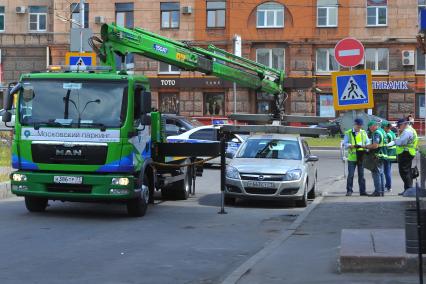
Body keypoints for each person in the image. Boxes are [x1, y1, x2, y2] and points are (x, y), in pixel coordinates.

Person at [388, 118, 418, 195]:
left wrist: (395, 141)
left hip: (405, 153)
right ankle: (407, 190)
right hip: (408, 152)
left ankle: (409, 190)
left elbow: (402, 142)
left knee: (404, 172)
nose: (398, 127)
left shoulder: (407, 131)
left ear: (404, 124)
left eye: (399, 126)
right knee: (407, 172)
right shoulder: (411, 130)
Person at [343, 118, 369, 196]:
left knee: (361, 175)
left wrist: (365, 146)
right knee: (350, 175)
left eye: (360, 125)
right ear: (355, 124)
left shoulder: (363, 132)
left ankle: (362, 191)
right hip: (352, 157)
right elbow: (345, 143)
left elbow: (368, 141)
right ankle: (349, 191)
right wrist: (351, 146)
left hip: (361, 156)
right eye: (358, 125)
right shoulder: (348, 133)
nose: (359, 127)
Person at [365, 121, 387, 197]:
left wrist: (366, 146)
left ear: (374, 126)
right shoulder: (382, 131)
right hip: (382, 154)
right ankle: (382, 191)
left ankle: (377, 191)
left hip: (376, 155)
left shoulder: (376, 133)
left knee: (376, 173)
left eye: (370, 127)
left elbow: (375, 145)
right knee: (381, 173)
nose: (370, 129)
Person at [382, 121, 397, 192]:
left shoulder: (387, 134)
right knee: (388, 171)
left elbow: (386, 144)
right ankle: (388, 185)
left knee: (386, 171)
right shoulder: (392, 133)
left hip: (387, 155)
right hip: (392, 155)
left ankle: (388, 186)